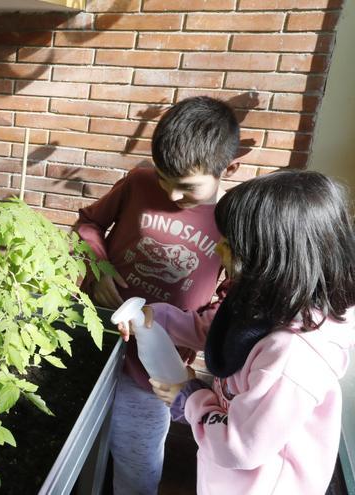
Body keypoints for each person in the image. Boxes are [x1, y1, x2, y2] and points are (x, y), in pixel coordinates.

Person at [120, 170, 355, 495]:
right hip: (223, 477)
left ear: (273, 257)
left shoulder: (294, 357)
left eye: (230, 244)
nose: (218, 250)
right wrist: (155, 317)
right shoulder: (267, 299)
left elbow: (240, 446)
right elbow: (213, 329)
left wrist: (189, 398)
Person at [73, 96, 241, 494]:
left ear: (229, 168)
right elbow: (89, 224)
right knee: (74, 436)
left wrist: (184, 328)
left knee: (137, 459)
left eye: (186, 188)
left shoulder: (234, 225)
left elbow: (227, 306)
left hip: (155, 371)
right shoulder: (138, 182)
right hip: (94, 334)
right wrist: (100, 268)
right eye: (164, 180)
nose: (171, 195)